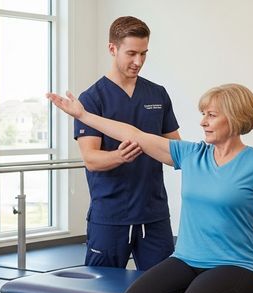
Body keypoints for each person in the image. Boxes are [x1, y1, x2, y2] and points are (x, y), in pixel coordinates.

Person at [48, 84, 253, 293]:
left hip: (238, 266)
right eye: (203, 114)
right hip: (186, 260)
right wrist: (83, 115)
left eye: (211, 115)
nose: (203, 122)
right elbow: (134, 134)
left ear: (234, 118)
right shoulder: (191, 154)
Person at [74, 16, 182, 271]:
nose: (138, 62)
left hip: (154, 215)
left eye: (144, 54)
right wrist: (119, 156)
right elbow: (91, 159)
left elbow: (175, 150)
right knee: (102, 287)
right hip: (110, 216)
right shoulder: (91, 99)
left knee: (164, 286)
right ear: (112, 48)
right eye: (131, 53)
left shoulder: (157, 94)